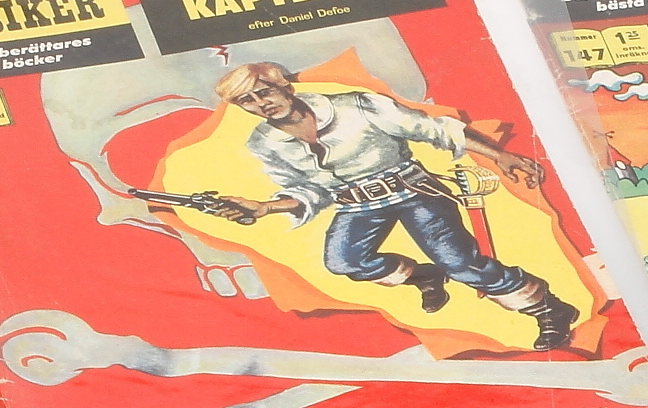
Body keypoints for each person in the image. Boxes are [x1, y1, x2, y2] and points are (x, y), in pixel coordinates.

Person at [201, 62, 579, 350]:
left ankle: (548, 308)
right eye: (246, 101)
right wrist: (264, 208)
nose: (260, 104)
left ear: (284, 85)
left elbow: (433, 129)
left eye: (264, 92)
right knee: (344, 262)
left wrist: (499, 155)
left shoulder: (355, 106)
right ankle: (424, 277)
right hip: (356, 205)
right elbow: (308, 192)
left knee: (459, 263)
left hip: (413, 192)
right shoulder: (263, 144)